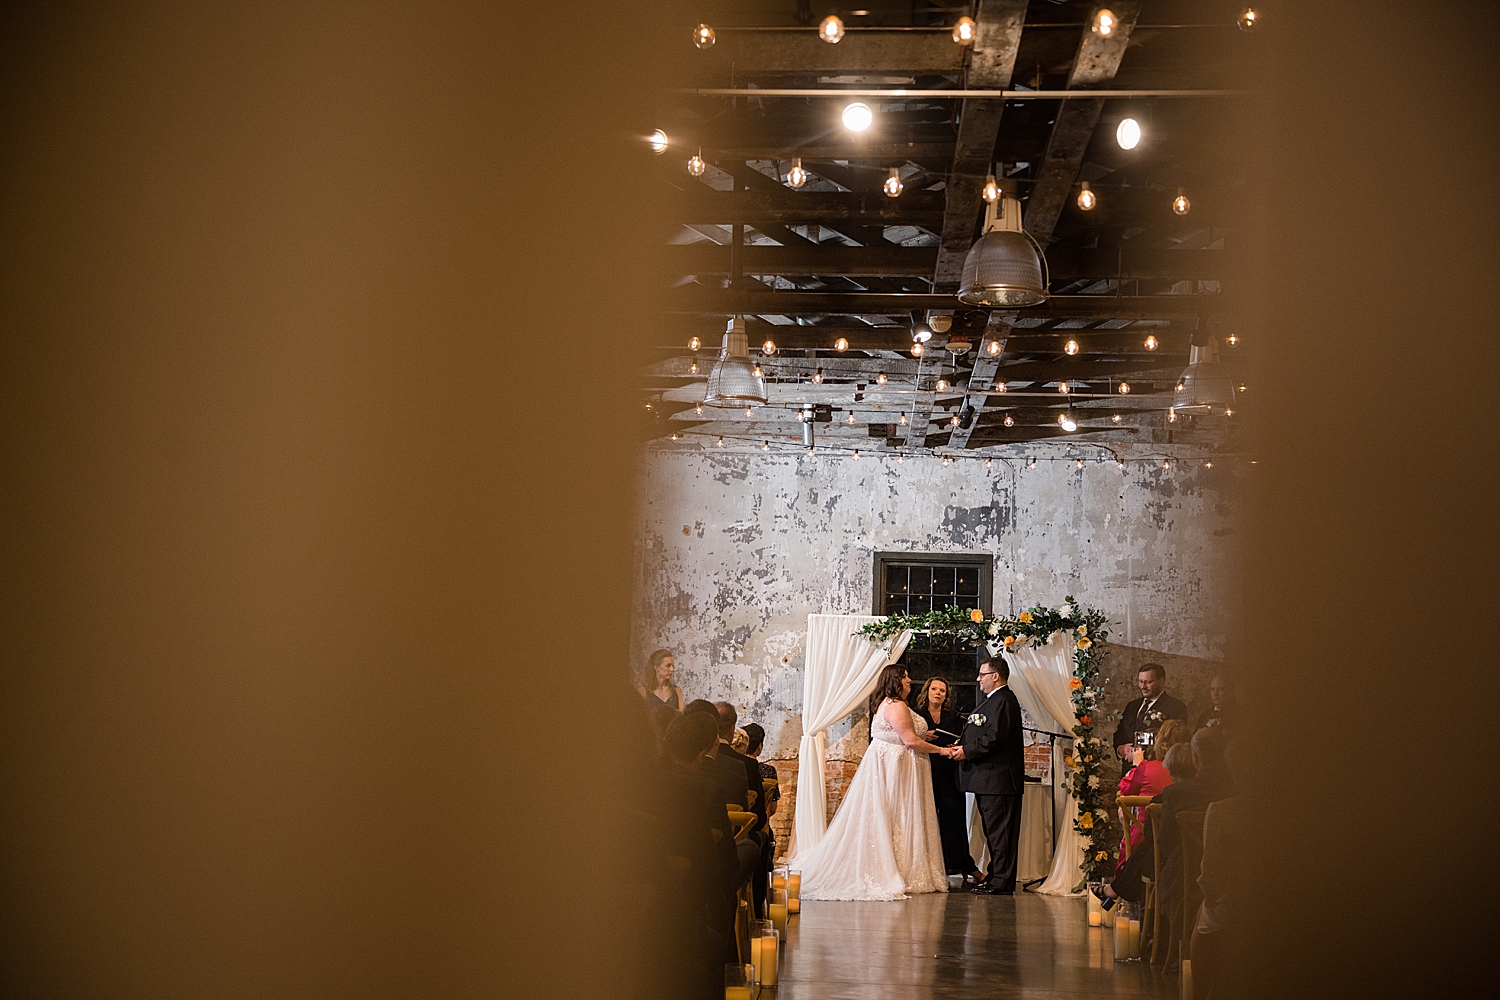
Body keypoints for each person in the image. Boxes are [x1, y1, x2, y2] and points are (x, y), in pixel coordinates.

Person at [791, 663, 951, 901]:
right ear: (895, 681)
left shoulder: (892, 704)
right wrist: (941, 750)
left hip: (897, 766)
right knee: (894, 815)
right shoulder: (895, 705)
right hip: (893, 768)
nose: (909, 680)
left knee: (896, 816)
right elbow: (909, 741)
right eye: (905, 677)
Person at [952, 650, 1025, 896]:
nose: (977, 679)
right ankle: (995, 876)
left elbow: (994, 737)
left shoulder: (1004, 700)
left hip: (1000, 780)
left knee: (1001, 834)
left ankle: (1002, 882)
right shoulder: (993, 700)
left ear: (995, 676)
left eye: (982, 674)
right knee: (993, 833)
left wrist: (967, 751)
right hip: (989, 780)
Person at [916, 677, 983, 883]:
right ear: (926, 691)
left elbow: (963, 740)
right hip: (924, 770)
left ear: (946, 695)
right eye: (934, 688)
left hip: (949, 772)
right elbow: (906, 738)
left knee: (954, 820)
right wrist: (921, 735)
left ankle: (965, 865)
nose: (938, 693)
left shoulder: (953, 717)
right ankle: (929, 867)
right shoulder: (917, 715)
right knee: (927, 820)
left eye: (942, 690)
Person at [1114, 719, 1190, 866]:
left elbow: (1126, 790)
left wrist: (1137, 765)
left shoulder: (1146, 769)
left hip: (1145, 839)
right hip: (1183, 841)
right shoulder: (1192, 773)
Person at [1112, 662, 1189, 762]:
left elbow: (1174, 741)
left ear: (1161, 681)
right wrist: (1121, 749)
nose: (1142, 686)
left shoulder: (1176, 707)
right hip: (1128, 770)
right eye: (1140, 681)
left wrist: (1140, 755)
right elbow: (1120, 732)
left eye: (1148, 682)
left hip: (1154, 768)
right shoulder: (1132, 706)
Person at [740, 723, 780, 819]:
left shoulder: (735, 767)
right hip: (759, 822)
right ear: (760, 747)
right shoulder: (769, 771)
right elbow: (773, 808)